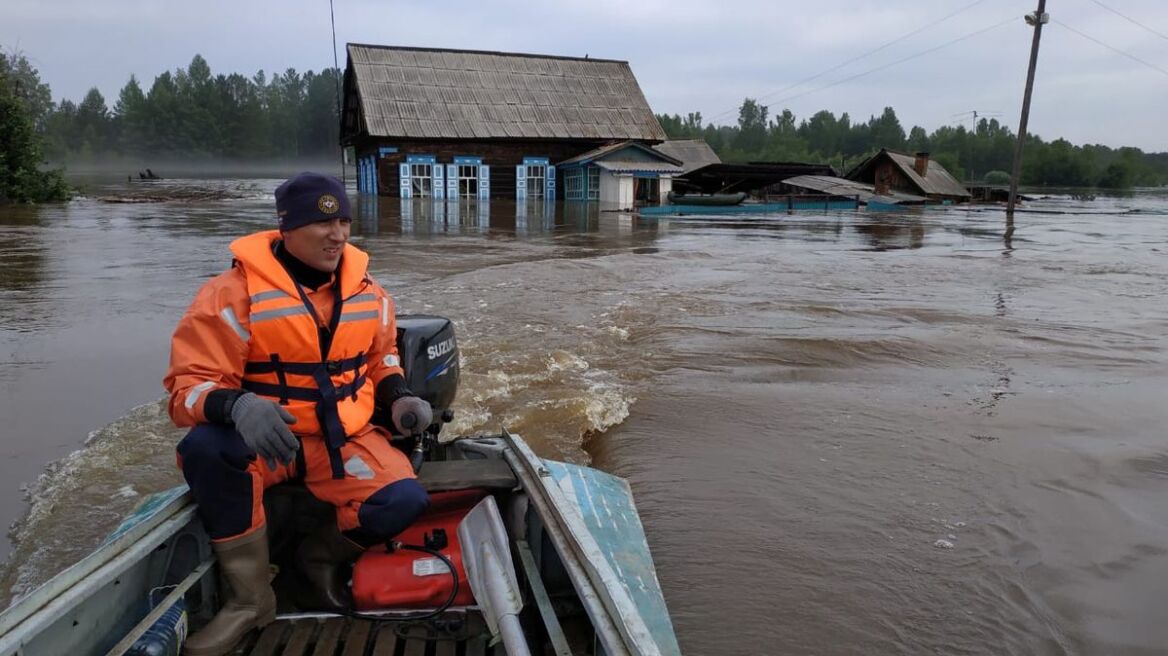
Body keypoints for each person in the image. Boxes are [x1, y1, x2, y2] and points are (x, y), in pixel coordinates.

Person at [164, 172, 432, 655]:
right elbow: (186, 389)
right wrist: (238, 404)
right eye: (321, 223)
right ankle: (250, 600)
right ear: (286, 229)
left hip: (343, 439)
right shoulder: (229, 296)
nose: (338, 235)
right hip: (269, 444)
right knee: (206, 448)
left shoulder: (369, 292)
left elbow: (381, 359)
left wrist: (400, 396)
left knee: (405, 500)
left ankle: (318, 557)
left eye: (344, 221)